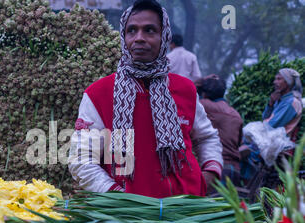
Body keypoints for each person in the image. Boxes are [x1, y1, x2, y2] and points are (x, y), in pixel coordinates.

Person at [68, 0, 223, 198]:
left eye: (149, 30)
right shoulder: (98, 94)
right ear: (123, 37)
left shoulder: (185, 90)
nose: (139, 38)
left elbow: (207, 137)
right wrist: (117, 196)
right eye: (132, 30)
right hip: (129, 214)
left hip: (186, 209)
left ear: (164, 36)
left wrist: (209, 174)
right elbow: (81, 159)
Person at [240, 68, 303, 182]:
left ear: (288, 82)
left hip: (278, 140)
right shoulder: (281, 99)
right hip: (270, 136)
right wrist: (271, 103)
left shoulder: (292, 102)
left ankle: (246, 181)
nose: (275, 82)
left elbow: (272, 125)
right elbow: (265, 118)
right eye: (275, 79)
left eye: (279, 79)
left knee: (243, 148)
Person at [195, 74, 243, 188]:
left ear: (204, 93)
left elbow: (184, 92)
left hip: (216, 169)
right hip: (234, 170)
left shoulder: (204, 105)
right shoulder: (236, 114)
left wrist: (200, 81)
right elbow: (239, 144)